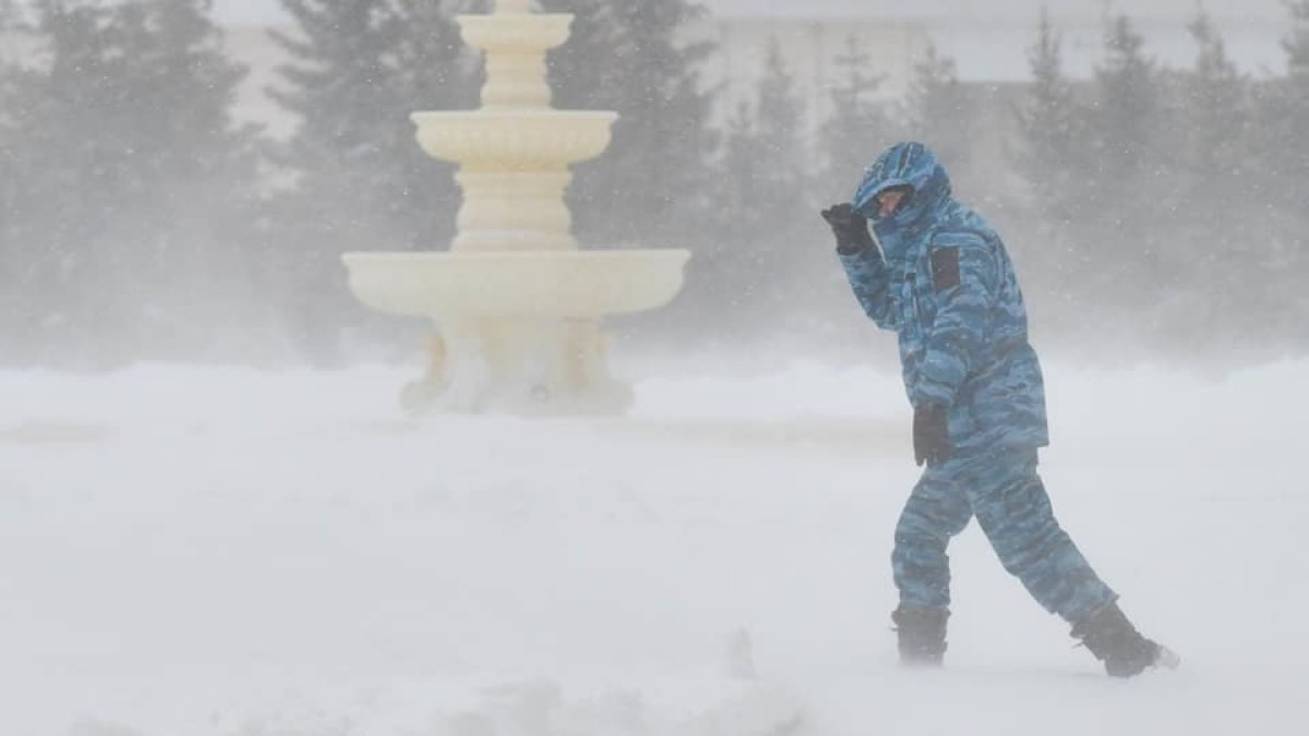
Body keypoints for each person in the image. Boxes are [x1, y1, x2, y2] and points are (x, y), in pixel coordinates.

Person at [821, 141, 1178, 678]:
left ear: (922, 188)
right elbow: (890, 311)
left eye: (893, 200)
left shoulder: (956, 241)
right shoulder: (921, 251)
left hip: (991, 415)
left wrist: (933, 399)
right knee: (920, 536)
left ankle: (1131, 653)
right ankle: (918, 671)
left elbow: (960, 323)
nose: (887, 212)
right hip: (960, 424)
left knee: (1028, 543)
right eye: (880, 206)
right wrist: (857, 248)